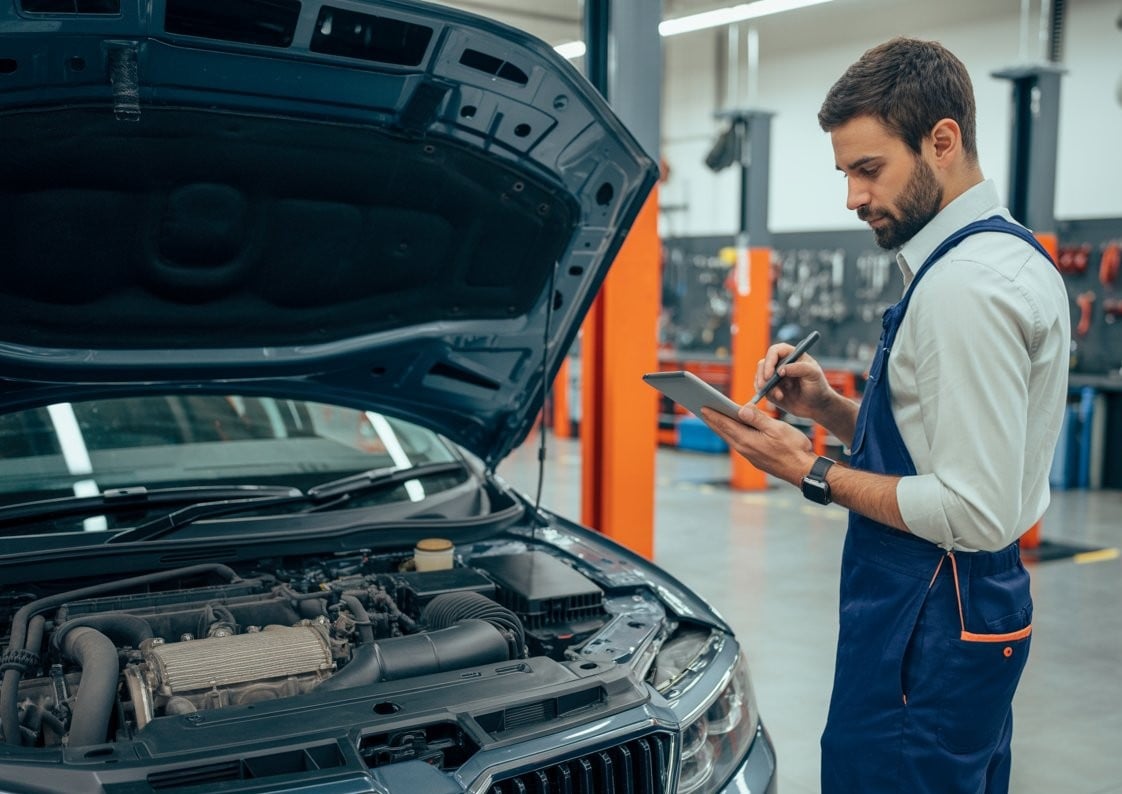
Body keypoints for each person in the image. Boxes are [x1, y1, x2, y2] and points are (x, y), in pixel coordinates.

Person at [701, 37, 1070, 793]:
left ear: (942, 141)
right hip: (964, 611)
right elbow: (944, 444)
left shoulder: (964, 286)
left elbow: (973, 508)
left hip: (927, 623)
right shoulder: (1009, 255)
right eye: (846, 173)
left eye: (869, 169)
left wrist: (809, 470)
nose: (853, 197)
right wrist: (830, 408)